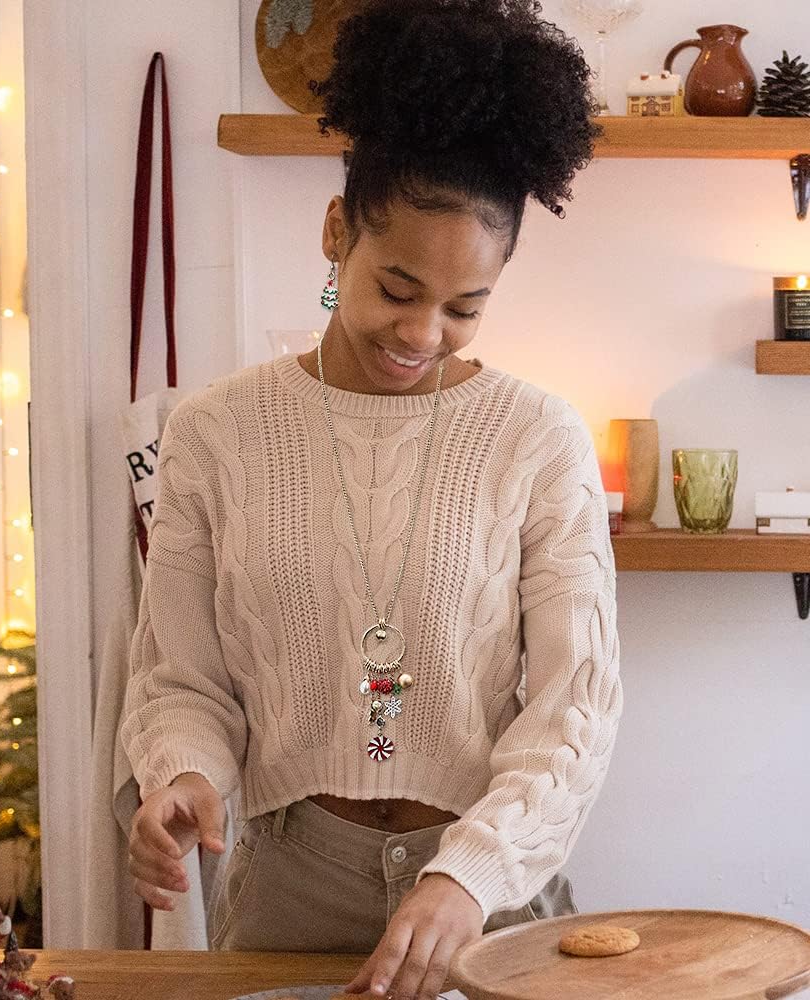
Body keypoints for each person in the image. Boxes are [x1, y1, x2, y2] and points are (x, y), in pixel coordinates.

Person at [121, 1, 621, 997]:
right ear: (336, 228)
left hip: (484, 898)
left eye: (463, 307)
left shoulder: (537, 437)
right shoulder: (214, 432)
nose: (422, 331)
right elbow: (182, 676)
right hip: (289, 888)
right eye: (396, 286)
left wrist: (468, 875)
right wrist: (180, 774)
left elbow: (573, 707)